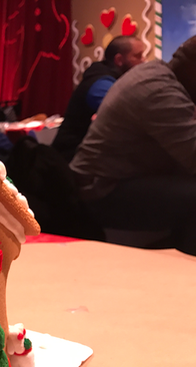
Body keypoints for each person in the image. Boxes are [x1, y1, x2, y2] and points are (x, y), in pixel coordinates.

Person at [69, 36, 196, 256]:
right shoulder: (158, 89)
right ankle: (182, 277)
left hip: (115, 179)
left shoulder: (159, 76)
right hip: (103, 191)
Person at [52, 36, 146, 162]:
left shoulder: (112, 80)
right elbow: (128, 116)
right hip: (72, 163)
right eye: (138, 56)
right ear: (119, 60)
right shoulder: (101, 84)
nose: (144, 61)